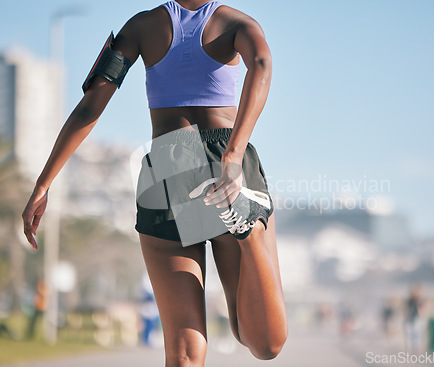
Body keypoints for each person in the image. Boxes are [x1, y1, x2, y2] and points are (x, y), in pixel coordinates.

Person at [22, 0, 287, 365]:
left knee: (184, 350)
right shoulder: (235, 22)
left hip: (167, 163)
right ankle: (251, 234)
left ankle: (248, 230)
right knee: (262, 343)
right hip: (227, 162)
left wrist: (43, 184)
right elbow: (262, 63)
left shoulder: (141, 27)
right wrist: (234, 155)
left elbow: (89, 106)